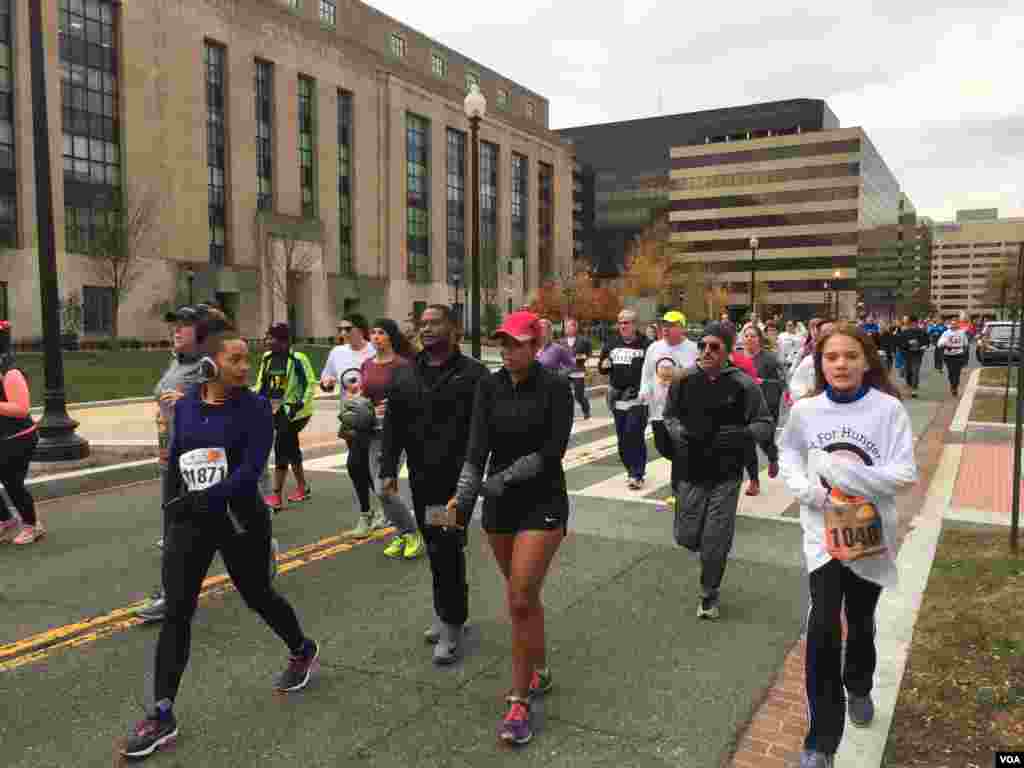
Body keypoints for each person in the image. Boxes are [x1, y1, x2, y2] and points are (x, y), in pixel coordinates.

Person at [120, 329, 319, 759]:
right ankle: (162, 712)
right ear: (211, 364)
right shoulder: (188, 405)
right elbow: (177, 458)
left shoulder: (254, 409)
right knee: (177, 612)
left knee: (258, 596)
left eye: (247, 359)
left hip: (239, 520)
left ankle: (302, 649)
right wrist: (173, 509)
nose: (245, 367)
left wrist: (212, 496)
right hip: (190, 521)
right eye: (235, 359)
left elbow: (250, 470)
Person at [778, 323, 917, 768]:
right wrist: (813, 492)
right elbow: (790, 455)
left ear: (866, 361)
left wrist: (841, 477)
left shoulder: (888, 410)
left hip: (869, 532)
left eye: (850, 356)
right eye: (831, 357)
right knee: (822, 627)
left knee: (859, 619)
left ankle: (858, 683)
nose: (841, 364)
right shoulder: (806, 411)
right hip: (821, 534)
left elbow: (903, 474)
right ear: (820, 364)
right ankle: (821, 739)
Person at [451, 310, 573, 745]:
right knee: (526, 598)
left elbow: (550, 452)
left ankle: (519, 701)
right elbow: (476, 449)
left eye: (515, 343)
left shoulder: (557, 388)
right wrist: (462, 501)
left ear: (535, 346)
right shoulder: (490, 385)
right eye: (502, 342)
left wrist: (499, 481)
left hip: (542, 502)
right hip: (499, 509)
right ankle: (538, 671)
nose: (506, 350)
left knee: (519, 598)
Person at [379, 305, 489, 665]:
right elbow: (393, 425)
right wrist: (388, 469)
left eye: (434, 323)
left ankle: (452, 624)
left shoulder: (473, 375)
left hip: (458, 483)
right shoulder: (406, 374)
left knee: (446, 546)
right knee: (438, 546)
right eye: (421, 324)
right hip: (423, 479)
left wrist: (476, 478)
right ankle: (450, 612)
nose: (425, 329)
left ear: (454, 329)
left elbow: (483, 430)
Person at [663, 322, 775, 620]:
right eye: (703, 346)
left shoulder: (743, 383)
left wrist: (742, 434)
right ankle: (705, 549)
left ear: (727, 351)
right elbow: (669, 416)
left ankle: (708, 594)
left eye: (715, 347)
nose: (707, 352)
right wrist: (678, 432)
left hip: (726, 474)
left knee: (715, 541)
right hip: (690, 471)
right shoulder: (683, 380)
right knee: (687, 536)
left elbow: (765, 422)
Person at [138, 304, 231, 623]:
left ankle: (171, 596)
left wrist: (190, 403)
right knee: (179, 531)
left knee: (189, 532)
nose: (176, 331)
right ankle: (172, 592)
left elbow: (226, 404)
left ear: (201, 334)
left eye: (185, 326)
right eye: (174, 325)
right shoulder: (175, 364)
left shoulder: (207, 366)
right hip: (170, 458)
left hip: (198, 461)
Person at [361, 318, 424, 559]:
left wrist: (396, 404)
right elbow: (364, 398)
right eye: (373, 332)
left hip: (398, 432)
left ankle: (412, 533)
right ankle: (402, 533)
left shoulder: (403, 365)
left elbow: (415, 398)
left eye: (381, 332)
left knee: (384, 488)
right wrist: (360, 409)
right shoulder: (367, 365)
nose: (375, 337)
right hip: (373, 433)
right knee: (380, 490)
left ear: (390, 337)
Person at [319, 314, 380, 534]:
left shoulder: (374, 350)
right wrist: (327, 383)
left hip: (375, 418)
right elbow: (326, 379)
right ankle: (376, 510)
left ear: (361, 330)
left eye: (347, 329)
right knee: (360, 467)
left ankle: (371, 512)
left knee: (359, 465)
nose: (342, 333)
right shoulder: (337, 353)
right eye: (340, 329)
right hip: (351, 418)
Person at [253, 323, 317, 511]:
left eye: (271, 337)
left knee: (282, 446)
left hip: (295, 412)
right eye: (267, 336)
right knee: (291, 447)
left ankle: (275, 495)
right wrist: (255, 401)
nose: (267, 340)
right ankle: (303, 487)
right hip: (273, 410)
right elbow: (261, 384)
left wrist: (298, 405)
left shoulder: (298, 358)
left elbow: (309, 383)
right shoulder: (267, 358)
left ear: (283, 340)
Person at [640, 310, 698, 494]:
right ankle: (685, 473)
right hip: (658, 408)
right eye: (664, 325)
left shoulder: (694, 349)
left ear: (682, 327)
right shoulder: (654, 348)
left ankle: (679, 486)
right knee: (663, 447)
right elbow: (647, 373)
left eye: (671, 326)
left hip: (683, 410)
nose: (665, 329)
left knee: (680, 447)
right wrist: (644, 390)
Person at [599, 309, 651, 489]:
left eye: (626, 322)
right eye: (620, 322)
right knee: (622, 438)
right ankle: (631, 470)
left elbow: (651, 371)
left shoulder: (646, 344)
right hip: (618, 397)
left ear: (634, 324)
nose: (622, 326)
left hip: (638, 397)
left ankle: (637, 473)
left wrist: (643, 389)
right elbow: (603, 366)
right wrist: (604, 366)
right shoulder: (611, 343)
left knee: (634, 433)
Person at [0, 321, 41, 546]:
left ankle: (31, 526)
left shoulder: (10, 371)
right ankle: (6, 521)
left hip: (19, 438)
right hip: (3, 436)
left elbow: (21, 408)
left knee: (12, 482)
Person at [737, 324, 784, 496]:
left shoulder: (770, 359)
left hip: (765, 408)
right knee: (746, 444)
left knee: (766, 443)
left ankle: (773, 458)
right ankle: (754, 481)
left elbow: (781, 383)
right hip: (743, 408)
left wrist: (762, 382)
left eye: (753, 336)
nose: (749, 339)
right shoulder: (737, 358)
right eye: (746, 336)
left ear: (759, 339)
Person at [790, 320, 836, 403]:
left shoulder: (846, 360)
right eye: (825, 332)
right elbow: (796, 387)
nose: (830, 335)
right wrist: (808, 397)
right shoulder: (809, 361)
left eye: (833, 331)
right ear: (818, 336)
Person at [562, 317, 592, 420]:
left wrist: (582, 358)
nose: (566, 328)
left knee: (579, 395)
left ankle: (586, 410)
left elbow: (588, 353)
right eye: (565, 327)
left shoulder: (583, 341)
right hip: (565, 372)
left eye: (568, 326)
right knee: (564, 394)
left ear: (575, 328)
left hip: (578, 371)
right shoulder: (561, 341)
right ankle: (567, 414)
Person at [896, 316, 929, 398]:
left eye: (915, 323)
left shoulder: (922, 332)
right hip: (907, 355)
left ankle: (914, 389)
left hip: (917, 355)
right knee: (908, 372)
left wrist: (924, 346)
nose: (914, 325)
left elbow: (926, 342)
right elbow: (900, 344)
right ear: (909, 324)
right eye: (912, 324)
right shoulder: (904, 333)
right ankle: (909, 385)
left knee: (915, 371)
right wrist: (908, 344)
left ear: (917, 323)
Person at [937, 318, 970, 397]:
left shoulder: (962, 333)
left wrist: (964, 354)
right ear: (950, 325)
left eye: (955, 324)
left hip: (959, 354)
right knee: (951, 372)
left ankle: (955, 387)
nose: (953, 325)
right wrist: (942, 344)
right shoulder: (945, 333)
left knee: (957, 373)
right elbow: (939, 344)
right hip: (948, 355)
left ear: (958, 324)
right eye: (952, 324)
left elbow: (966, 344)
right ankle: (952, 385)